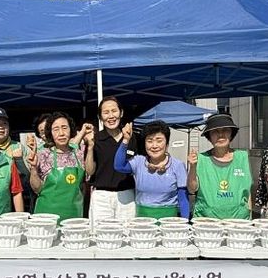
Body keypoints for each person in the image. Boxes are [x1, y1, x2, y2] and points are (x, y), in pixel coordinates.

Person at [114, 121, 189, 219]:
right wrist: (125, 140)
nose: (154, 146)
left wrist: (185, 222)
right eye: (149, 141)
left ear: (167, 143)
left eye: (159, 141)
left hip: (169, 219)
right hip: (143, 218)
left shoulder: (177, 165)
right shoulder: (139, 162)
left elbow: (183, 198)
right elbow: (119, 166)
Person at [28, 112, 95, 221]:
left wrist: (91, 147)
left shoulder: (79, 153)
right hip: (46, 217)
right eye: (56, 129)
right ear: (50, 133)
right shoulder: (43, 155)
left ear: (71, 130)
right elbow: (37, 188)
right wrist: (33, 168)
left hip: (73, 216)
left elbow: (90, 172)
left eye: (64, 128)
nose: (61, 133)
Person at [188, 113, 252, 219]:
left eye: (225, 130)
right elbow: (191, 189)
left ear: (231, 134)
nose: (221, 135)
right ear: (209, 136)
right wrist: (193, 167)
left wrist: (250, 215)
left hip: (238, 221)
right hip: (206, 222)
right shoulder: (201, 159)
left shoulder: (242, 157)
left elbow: (248, 193)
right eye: (215, 132)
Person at [88, 96, 137, 228]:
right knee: (101, 233)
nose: (111, 116)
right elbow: (90, 171)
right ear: (100, 117)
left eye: (114, 111)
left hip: (127, 195)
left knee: (127, 232)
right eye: (106, 112)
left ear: (121, 113)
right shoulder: (95, 139)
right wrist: (90, 147)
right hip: (102, 197)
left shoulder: (132, 137)